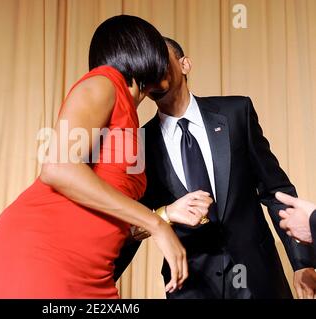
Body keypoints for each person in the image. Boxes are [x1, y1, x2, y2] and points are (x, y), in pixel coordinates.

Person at [0, 15, 213, 299]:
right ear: (139, 49)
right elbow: (59, 168)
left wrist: (166, 214)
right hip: (43, 257)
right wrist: (157, 225)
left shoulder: (130, 121)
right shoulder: (104, 83)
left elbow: (109, 214)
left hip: (91, 270)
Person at [114, 37, 316, 298]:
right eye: (145, 63)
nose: (151, 67)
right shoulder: (138, 143)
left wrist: (303, 262)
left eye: (159, 58)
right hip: (190, 285)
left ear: (185, 64)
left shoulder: (236, 113)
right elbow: (132, 219)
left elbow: (276, 191)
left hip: (257, 277)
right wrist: (99, 280)